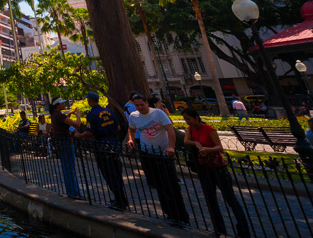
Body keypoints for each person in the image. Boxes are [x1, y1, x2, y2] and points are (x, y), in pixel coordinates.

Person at [182, 108, 250, 238]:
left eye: (188, 119)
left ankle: (243, 231)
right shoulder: (191, 129)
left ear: (196, 118)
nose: (187, 122)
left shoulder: (209, 129)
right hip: (204, 168)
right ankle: (219, 229)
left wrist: (208, 150)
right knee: (210, 200)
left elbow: (220, 147)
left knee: (231, 200)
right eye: (185, 119)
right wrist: (196, 143)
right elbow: (186, 141)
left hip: (217, 168)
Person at [127, 94, 189, 227]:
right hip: (148, 153)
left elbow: (170, 130)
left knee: (171, 185)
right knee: (158, 185)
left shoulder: (158, 113)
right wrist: (131, 139)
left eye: (141, 104)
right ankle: (169, 214)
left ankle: (181, 216)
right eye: (137, 105)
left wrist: (171, 147)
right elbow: (131, 129)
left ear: (146, 103)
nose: (140, 107)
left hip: (163, 153)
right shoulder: (134, 116)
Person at [75, 92, 127, 210]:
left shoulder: (92, 113)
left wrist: (80, 135)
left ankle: (119, 201)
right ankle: (121, 198)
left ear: (90, 100)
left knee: (109, 173)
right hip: (114, 143)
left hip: (102, 144)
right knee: (117, 172)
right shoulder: (108, 111)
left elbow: (90, 132)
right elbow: (118, 127)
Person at [49, 98, 82, 199]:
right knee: (70, 167)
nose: (64, 104)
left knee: (66, 166)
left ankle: (70, 191)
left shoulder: (55, 114)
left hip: (60, 141)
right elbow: (77, 125)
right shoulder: (59, 115)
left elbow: (64, 123)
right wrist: (78, 116)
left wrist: (69, 114)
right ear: (57, 105)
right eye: (62, 103)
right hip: (65, 142)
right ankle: (75, 192)